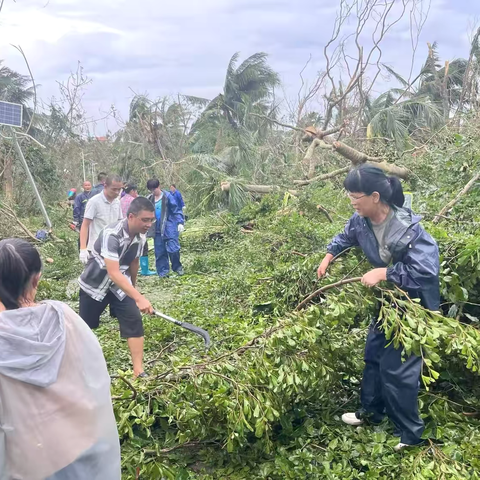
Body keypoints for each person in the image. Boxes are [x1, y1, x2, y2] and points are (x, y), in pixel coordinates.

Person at [317, 164, 439, 452]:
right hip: (388, 301)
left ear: (374, 196)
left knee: (397, 368)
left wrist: (385, 273)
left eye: (355, 196)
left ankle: (410, 435)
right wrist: (329, 255)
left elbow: (426, 272)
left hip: (414, 304)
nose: (351, 202)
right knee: (373, 355)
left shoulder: (408, 228)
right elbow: (346, 236)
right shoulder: (361, 219)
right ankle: (371, 413)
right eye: (349, 196)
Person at [0, 238, 120, 479]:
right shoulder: (63, 317)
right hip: (79, 443)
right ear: (37, 278)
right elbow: (92, 376)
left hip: (26, 460)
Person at [78, 197, 155, 377]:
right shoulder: (111, 234)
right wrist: (138, 297)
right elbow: (113, 273)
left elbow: (134, 262)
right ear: (131, 217)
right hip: (95, 286)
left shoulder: (141, 238)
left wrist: (133, 291)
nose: (148, 224)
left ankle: (138, 370)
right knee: (86, 328)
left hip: (120, 288)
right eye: (145, 220)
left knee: (134, 321)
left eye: (151, 220)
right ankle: (81, 367)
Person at [79, 175, 123, 264]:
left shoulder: (117, 202)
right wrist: (83, 248)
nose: (117, 192)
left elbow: (119, 223)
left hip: (112, 248)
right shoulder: (94, 202)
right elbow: (85, 225)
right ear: (105, 186)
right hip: (96, 249)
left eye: (119, 189)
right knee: (93, 277)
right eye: (114, 189)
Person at [147, 179, 185, 277]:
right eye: (151, 190)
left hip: (169, 227)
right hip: (157, 229)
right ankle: (163, 272)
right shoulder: (150, 199)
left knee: (173, 249)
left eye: (154, 189)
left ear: (158, 187)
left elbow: (176, 209)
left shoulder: (167, 197)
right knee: (160, 252)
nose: (153, 192)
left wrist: (180, 222)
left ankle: (177, 267)